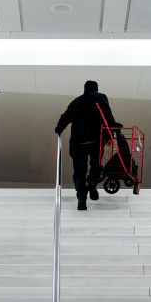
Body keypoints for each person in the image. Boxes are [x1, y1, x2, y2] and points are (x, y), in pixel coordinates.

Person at [55, 80, 117, 210]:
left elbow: (65, 117)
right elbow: (108, 115)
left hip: (78, 142)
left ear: (84, 89)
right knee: (96, 164)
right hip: (96, 140)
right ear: (96, 89)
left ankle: (81, 199)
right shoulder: (101, 98)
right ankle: (91, 182)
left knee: (79, 171)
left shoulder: (76, 102)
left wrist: (59, 129)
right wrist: (113, 130)